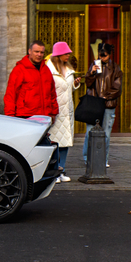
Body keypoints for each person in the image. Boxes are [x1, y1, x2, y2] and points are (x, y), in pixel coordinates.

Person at [45, 42, 81, 183]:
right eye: (66, 53)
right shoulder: (49, 69)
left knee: (65, 142)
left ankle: (61, 170)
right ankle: (52, 172)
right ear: (59, 54)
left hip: (67, 111)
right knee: (54, 142)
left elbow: (67, 89)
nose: (68, 55)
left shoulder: (68, 69)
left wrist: (75, 85)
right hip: (55, 111)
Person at [83, 42, 123, 168]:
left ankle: (103, 159)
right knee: (89, 132)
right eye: (100, 55)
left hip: (108, 105)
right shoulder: (94, 65)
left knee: (106, 133)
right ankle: (87, 158)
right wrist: (91, 73)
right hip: (94, 105)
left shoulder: (116, 68)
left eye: (104, 55)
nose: (102, 58)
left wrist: (105, 96)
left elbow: (117, 88)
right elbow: (88, 84)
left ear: (109, 54)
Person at [4, 40, 59, 119]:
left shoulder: (46, 70)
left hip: (45, 116)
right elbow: (11, 94)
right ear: (29, 51)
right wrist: (10, 115)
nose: (39, 55)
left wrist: (54, 113)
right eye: (36, 52)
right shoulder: (19, 69)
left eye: (42, 52)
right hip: (25, 115)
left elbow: (52, 93)